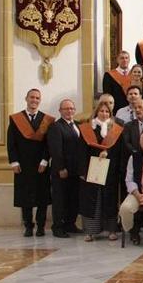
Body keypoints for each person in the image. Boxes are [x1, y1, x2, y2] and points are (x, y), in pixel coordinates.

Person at [7, 89, 54, 237]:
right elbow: (11, 142)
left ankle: (40, 226)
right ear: (26, 99)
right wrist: (14, 161)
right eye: (32, 97)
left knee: (42, 196)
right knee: (25, 196)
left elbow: (49, 143)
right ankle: (28, 225)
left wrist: (45, 160)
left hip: (41, 164)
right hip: (23, 164)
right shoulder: (16, 119)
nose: (34, 100)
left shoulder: (46, 120)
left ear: (40, 101)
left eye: (37, 98)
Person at [78, 101, 125, 242]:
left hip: (110, 170)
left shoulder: (115, 129)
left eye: (107, 112)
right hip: (92, 170)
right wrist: (83, 170)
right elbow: (81, 151)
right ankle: (90, 231)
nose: (104, 114)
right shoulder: (87, 129)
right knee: (92, 200)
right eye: (101, 111)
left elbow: (119, 151)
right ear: (96, 112)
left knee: (110, 199)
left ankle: (111, 230)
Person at [47, 99, 84, 238]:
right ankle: (58, 227)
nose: (69, 111)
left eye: (71, 109)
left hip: (76, 170)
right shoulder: (56, 127)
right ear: (60, 111)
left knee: (73, 198)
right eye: (66, 109)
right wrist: (61, 168)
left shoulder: (78, 126)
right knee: (60, 199)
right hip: (62, 171)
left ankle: (70, 224)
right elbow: (56, 150)